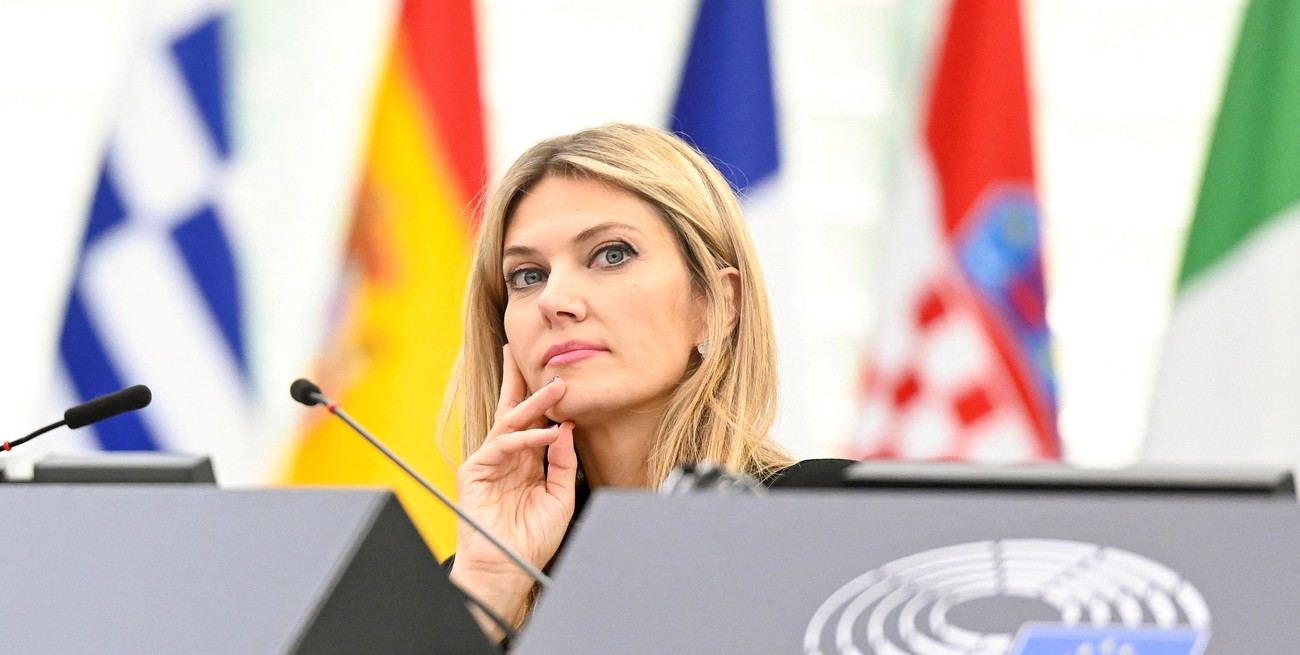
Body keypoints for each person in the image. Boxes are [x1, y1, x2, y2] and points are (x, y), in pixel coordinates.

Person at [442, 123, 851, 641]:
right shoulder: (462, 585)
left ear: (718, 304)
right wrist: (487, 588)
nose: (554, 300)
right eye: (527, 275)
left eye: (611, 254)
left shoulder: (832, 519)